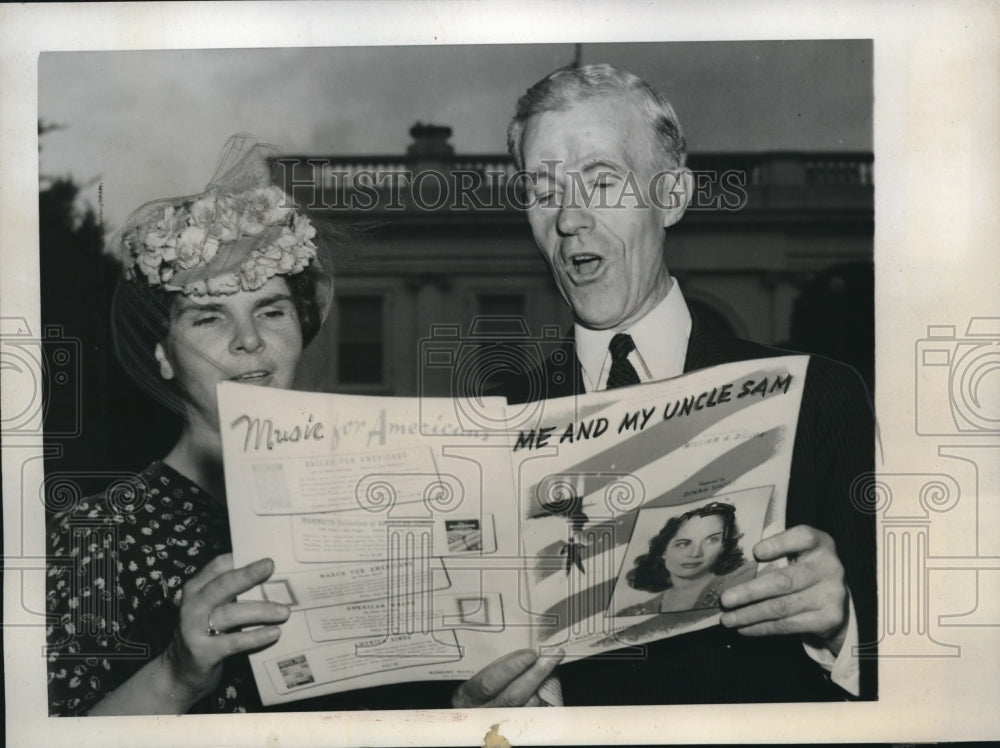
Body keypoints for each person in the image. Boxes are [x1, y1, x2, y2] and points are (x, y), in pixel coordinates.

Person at [453, 64, 876, 707]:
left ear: (672, 196)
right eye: (542, 189)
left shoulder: (820, 395)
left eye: (602, 180)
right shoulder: (484, 430)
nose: (569, 219)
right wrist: (470, 710)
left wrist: (843, 627)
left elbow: (928, 672)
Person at [45, 139, 453, 715]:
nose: (249, 340)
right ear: (163, 355)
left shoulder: (378, 508)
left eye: (271, 310)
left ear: (301, 328)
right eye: (210, 317)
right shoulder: (94, 538)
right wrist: (175, 676)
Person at [619, 502, 750, 615]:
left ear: (725, 547)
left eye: (711, 541)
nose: (695, 553)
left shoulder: (742, 586)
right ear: (663, 551)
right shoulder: (636, 613)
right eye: (683, 544)